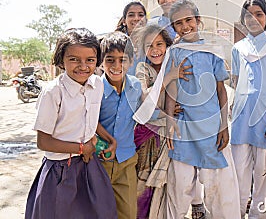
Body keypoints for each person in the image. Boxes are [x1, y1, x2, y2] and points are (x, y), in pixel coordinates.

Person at [25, 28, 117, 219]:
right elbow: (44, 142)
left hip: (89, 165)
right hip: (60, 170)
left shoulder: (97, 84)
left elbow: (91, 118)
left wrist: (109, 139)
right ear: (61, 59)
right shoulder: (53, 92)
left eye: (90, 60)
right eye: (74, 59)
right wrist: (82, 148)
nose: (83, 66)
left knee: (100, 211)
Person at [165, 0, 240, 218]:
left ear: (198, 21)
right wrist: (170, 120)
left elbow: (221, 90)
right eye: (178, 23)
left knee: (219, 186)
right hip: (183, 128)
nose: (185, 26)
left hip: (211, 126)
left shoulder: (212, 50)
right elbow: (172, 87)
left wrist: (224, 125)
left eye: (189, 20)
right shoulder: (175, 52)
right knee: (180, 186)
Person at [230, 0, 266, 218]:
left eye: (259, 14)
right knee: (239, 174)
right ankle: (236, 213)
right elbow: (236, 82)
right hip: (241, 119)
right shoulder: (238, 49)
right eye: (248, 15)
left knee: (263, 174)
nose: (253, 19)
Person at [134, 24, 193, 219]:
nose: (155, 50)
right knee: (142, 189)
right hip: (146, 139)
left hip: (169, 135)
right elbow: (145, 99)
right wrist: (168, 77)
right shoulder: (143, 69)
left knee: (167, 189)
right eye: (149, 46)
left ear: (167, 46)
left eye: (159, 44)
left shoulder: (175, 66)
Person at [96, 31, 145, 219]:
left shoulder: (136, 87)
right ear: (101, 61)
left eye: (122, 60)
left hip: (126, 160)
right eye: (110, 60)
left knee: (128, 212)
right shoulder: (94, 89)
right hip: (99, 160)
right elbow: (89, 120)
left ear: (131, 61)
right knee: (99, 211)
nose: (116, 66)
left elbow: (146, 111)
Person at [115, 1, 148, 75]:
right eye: (131, 15)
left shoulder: (151, 42)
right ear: (124, 21)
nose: (136, 18)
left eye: (141, 15)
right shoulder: (117, 44)